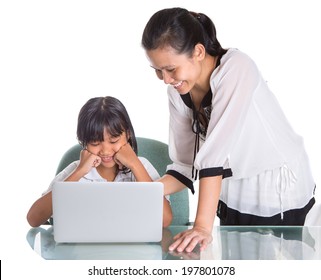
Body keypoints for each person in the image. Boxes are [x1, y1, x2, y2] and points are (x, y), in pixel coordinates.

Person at [141, 7, 316, 253]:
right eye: (157, 71)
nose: (166, 79)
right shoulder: (177, 93)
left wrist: (202, 226)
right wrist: (143, 193)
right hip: (230, 188)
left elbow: (213, 156)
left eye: (171, 69)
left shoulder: (236, 68)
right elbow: (185, 165)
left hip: (273, 188)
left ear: (198, 52)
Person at [27, 96, 172, 228]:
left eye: (113, 141)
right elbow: (33, 219)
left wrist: (135, 164)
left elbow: (165, 221)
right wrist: (79, 172)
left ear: (127, 134)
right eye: (95, 143)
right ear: (84, 142)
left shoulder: (141, 166)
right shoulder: (76, 170)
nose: (105, 151)